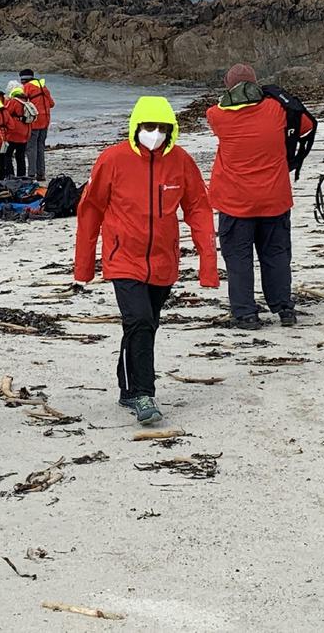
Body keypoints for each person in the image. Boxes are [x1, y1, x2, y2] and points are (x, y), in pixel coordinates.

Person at [74, 97, 219, 425]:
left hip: (163, 262)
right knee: (139, 320)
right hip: (123, 257)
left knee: (144, 324)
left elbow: (197, 206)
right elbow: (91, 208)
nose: (154, 133)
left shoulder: (181, 161)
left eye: (161, 128)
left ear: (171, 131)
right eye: (148, 127)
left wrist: (207, 263)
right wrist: (84, 264)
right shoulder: (112, 159)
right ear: (136, 127)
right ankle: (143, 394)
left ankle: (128, 388)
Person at [206, 64, 315, 329]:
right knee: (276, 255)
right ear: (257, 84)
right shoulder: (278, 109)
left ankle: (245, 313)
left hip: (235, 201)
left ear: (228, 85)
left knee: (238, 258)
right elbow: (306, 125)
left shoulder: (216, 115)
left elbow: (220, 111)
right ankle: (283, 308)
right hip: (274, 198)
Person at [19, 69, 55, 181]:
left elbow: (21, 104)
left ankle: (31, 173)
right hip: (46, 120)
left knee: (31, 148)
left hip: (34, 122)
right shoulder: (43, 87)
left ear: (23, 79)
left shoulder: (27, 87)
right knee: (40, 147)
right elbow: (52, 104)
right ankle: (41, 173)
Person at [3, 85, 31, 178]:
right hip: (25, 132)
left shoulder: (13, 102)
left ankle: (10, 174)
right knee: (20, 156)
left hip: (13, 132)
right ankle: (21, 175)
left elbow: (6, 113)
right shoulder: (27, 103)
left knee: (7, 155)